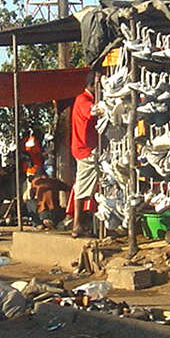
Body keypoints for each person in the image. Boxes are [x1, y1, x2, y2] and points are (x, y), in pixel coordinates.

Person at [69, 77, 100, 237]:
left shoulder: (85, 98)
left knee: (91, 185)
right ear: (93, 85)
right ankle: (78, 225)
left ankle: (83, 223)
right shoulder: (83, 99)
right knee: (83, 187)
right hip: (85, 149)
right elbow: (92, 111)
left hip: (87, 147)